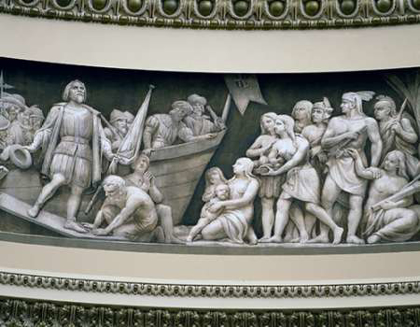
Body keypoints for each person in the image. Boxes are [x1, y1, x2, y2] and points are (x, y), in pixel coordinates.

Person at [24, 80, 115, 233]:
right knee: (58, 179)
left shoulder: (92, 113)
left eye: (82, 89)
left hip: (84, 154)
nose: (80, 90)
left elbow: (101, 138)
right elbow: (46, 130)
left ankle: (70, 220)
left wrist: (109, 153)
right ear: (68, 92)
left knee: (77, 190)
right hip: (64, 149)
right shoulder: (59, 109)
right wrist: (33, 145)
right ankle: (36, 206)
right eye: (76, 88)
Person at [259, 115, 344, 244]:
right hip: (292, 176)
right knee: (283, 204)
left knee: (310, 206)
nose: (275, 126)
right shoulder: (277, 143)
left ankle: (336, 228)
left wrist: (277, 171)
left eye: (278, 124)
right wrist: (270, 162)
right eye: (275, 124)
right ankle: (279, 235)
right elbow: (271, 158)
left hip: (307, 175)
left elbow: (295, 161)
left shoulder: (300, 141)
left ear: (287, 125)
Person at [318, 91, 382, 244]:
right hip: (337, 162)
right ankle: (324, 234)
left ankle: (351, 235)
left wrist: (373, 166)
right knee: (326, 199)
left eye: (344, 102)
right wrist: (345, 136)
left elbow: (377, 143)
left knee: (356, 202)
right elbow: (325, 143)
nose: (341, 105)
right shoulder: (335, 121)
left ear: (353, 104)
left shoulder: (368, 122)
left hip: (357, 162)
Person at [348, 149, 420, 243]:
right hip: (372, 215)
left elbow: (408, 200)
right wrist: (357, 157)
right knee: (410, 215)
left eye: (392, 162)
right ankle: (375, 233)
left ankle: (379, 235)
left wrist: (394, 205)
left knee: (416, 212)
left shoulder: (403, 181)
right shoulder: (378, 173)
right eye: (387, 160)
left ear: (398, 165)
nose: (387, 163)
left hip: (389, 212)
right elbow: (361, 172)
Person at [124, 153, 183, 244]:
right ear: (133, 165)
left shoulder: (147, 180)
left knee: (165, 209)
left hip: (148, 211)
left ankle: (169, 237)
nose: (143, 163)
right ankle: (153, 234)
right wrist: (144, 187)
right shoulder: (125, 180)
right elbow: (132, 199)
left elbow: (158, 199)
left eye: (145, 162)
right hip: (133, 213)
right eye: (140, 161)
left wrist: (152, 186)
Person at [200, 157, 259, 245]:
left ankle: (243, 231)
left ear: (245, 167)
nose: (234, 165)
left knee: (206, 234)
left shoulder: (252, 182)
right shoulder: (230, 181)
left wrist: (221, 204)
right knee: (205, 233)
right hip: (226, 212)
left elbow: (245, 201)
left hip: (242, 213)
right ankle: (242, 232)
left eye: (238, 164)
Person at [91, 175, 163, 241]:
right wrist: (94, 227)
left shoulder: (135, 197)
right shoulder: (113, 195)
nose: (106, 195)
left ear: (121, 190)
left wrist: (105, 231)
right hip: (132, 218)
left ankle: (152, 234)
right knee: (107, 210)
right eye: (105, 192)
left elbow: (122, 216)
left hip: (145, 223)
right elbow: (102, 210)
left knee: (117, 233)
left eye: (110, 192)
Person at [246, 112, 282, 240]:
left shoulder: (285, 137)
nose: (266, 125)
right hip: (266, 173)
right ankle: (267, 235)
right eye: (264, 123)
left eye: (269, 121)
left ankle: (284, 235)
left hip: (283, 173)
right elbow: (249, 152)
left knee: (285, 205)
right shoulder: (263, 138)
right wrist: (263, 150)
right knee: (267, 203)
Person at [142, 100, 217, 154]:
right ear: (175, 109)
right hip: (155, 150)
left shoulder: (180, 125)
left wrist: (205, 136)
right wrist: (147, 147)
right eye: (182, 111)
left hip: (167, 151)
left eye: (185, 114)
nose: (182, 115)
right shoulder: (157, 118)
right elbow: (147, 132)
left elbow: (189, 138)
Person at [374, 95, 419, 177]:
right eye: (375, 109)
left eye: (380, 109)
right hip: (384, 161)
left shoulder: (402, 121)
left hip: (404, 159)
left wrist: (400, 132)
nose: (376, 112)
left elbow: (414, 138)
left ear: (388, 111)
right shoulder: (375, 126)